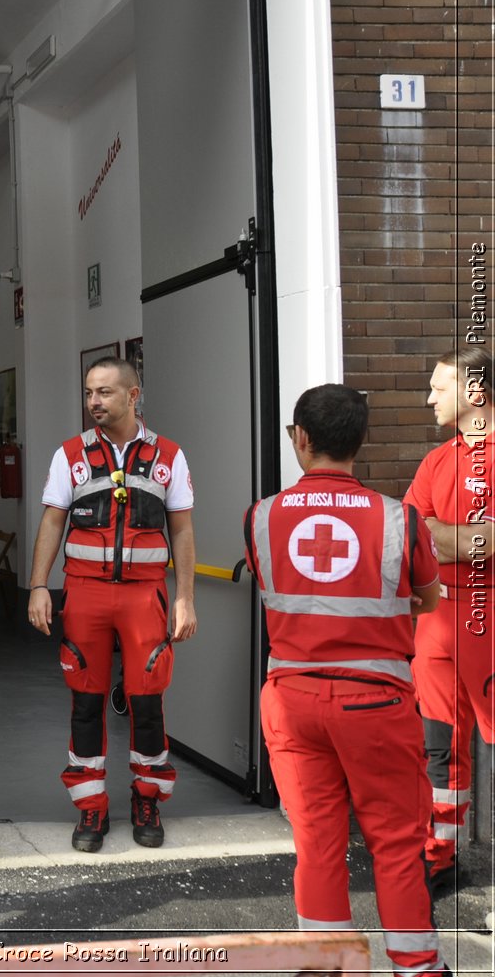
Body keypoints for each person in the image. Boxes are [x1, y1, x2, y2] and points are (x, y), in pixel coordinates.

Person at [245, 384, 449, 977]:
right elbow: (427, 598)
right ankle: (417, 966)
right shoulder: (400, 519)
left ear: (301, 438)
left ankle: (326, 963)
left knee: (317, 842)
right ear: (361, 441)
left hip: (293, 703)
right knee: (394, 845)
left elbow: (282, 590)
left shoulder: (261, 516)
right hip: (376, 706)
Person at [25, 356, 197, 852]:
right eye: (88, 393)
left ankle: (148, 799)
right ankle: (90, 807)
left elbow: (182, 530)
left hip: (146, 596)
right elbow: (53, 521)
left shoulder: (169, 456)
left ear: (133, 395)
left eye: (103, 392)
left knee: (147, 702)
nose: (93, 402)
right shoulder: (69, 455)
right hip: (85, 594)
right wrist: (40, 585)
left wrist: (185, 597)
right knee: (85, 700)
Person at [405, 345, 495, 889]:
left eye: (440, 388)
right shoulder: (438, 460)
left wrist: (448, 537)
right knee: (439, 747)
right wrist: (465, 541)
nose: (428, 399)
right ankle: (440, 856)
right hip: (437, 622)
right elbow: (416, 531)